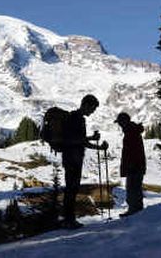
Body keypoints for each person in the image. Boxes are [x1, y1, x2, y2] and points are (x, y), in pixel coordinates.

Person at [61, 94, 108, 229]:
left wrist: (92, 138)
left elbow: (79, 139)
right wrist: (96, 145)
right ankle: (69, 220)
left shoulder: (75, 117)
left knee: (71, 188)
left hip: (71, 157)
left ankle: (68, 219)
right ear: (86, 104)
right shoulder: (77, 119)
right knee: (72, 188)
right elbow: (78, 140)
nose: (92, 112)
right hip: (73, 158)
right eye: (92, 109)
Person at [114, 112, 146, 217]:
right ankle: (135, 210)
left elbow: (133, 151)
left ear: (124, 122)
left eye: (120, 122)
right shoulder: (132, 131)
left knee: (133, 188)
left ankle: (134, 211)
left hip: (134, 166)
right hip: (136, 165)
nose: (119, 125)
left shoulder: (131, 132)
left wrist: (131, 164)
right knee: (134, 188)